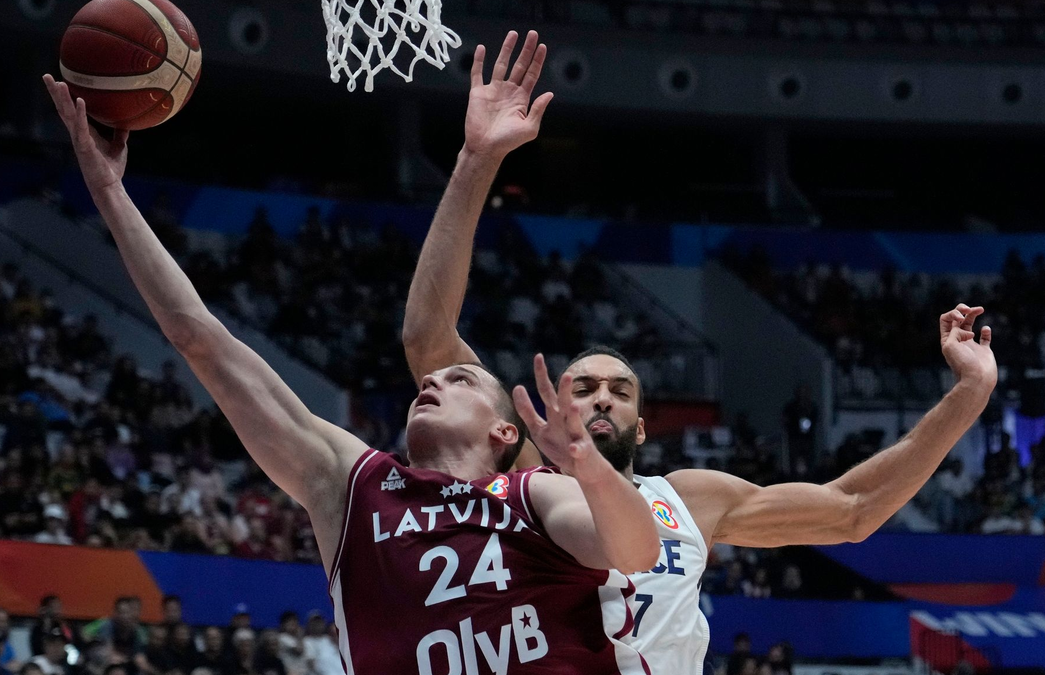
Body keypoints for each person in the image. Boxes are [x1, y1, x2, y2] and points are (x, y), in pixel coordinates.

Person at [400, 30, 999, 675]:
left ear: (643, 426)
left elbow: (852, 512)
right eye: (584, 387)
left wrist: (970, 394)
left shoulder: (689, 498)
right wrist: (477, 158)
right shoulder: (523, 478)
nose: (602, 396)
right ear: (543, 410)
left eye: (621, 391)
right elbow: (428, 339)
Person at [43, 51, 660, 675]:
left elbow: (635, 550)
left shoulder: (535, 494)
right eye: (434, 376)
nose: (435, 378)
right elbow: (199, 337)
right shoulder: (352, 485)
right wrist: (109, 193)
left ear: (506, 432)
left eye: (461, 377)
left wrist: (586, 467)